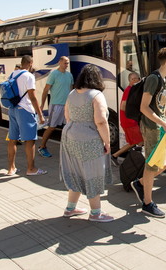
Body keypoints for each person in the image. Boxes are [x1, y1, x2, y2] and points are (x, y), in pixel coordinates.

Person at [60, 64, 114, 222]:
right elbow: (101, 122)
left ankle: (70, 208)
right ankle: (96, 213)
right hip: (89, 137)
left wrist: (76, 128)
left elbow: (67, 115)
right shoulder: (96, 95)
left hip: (70, 134)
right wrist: (107, 142)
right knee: (93, 173)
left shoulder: (72, 93)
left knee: (76, 172)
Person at [130, 47, 166, 218]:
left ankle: (141, 183)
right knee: (151, 165)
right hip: (151, 127)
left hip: (161, 127)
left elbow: (163, 106)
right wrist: (162, 123)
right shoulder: (153, 79)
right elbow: (144, 107)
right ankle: (147, 203)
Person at [6, 55, 47, 176]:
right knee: (30, 140)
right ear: (30, 63)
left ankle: (11, 168)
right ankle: (31, 169)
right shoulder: (29, 76)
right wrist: (40, 114)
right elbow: (32, 97)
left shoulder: (13, 74)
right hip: (25, 110)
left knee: (12, 139)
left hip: (12, 109)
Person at [38, 56, 74, 158]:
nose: (66, 65)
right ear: (59, 62)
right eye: (65, 63)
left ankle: (68, 149)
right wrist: (42, 105)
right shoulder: (54, 74)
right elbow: (45, 90)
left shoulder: (69, 75)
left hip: (67, 106)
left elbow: (71, 90)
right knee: (52, 127)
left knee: (68, 128)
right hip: (56, 105)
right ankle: (42, 147)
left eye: (67, 63)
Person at [111, 71, 143, 164]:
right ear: (130, 80)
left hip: (128, 121)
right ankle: (138, 161)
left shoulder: (132, 89)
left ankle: (115, 156)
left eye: (137, 78)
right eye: (133, 79)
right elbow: (123, 107)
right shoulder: (129, 90)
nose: (136, 80)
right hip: (129, 121)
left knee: (133, 142)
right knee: (140, 140)